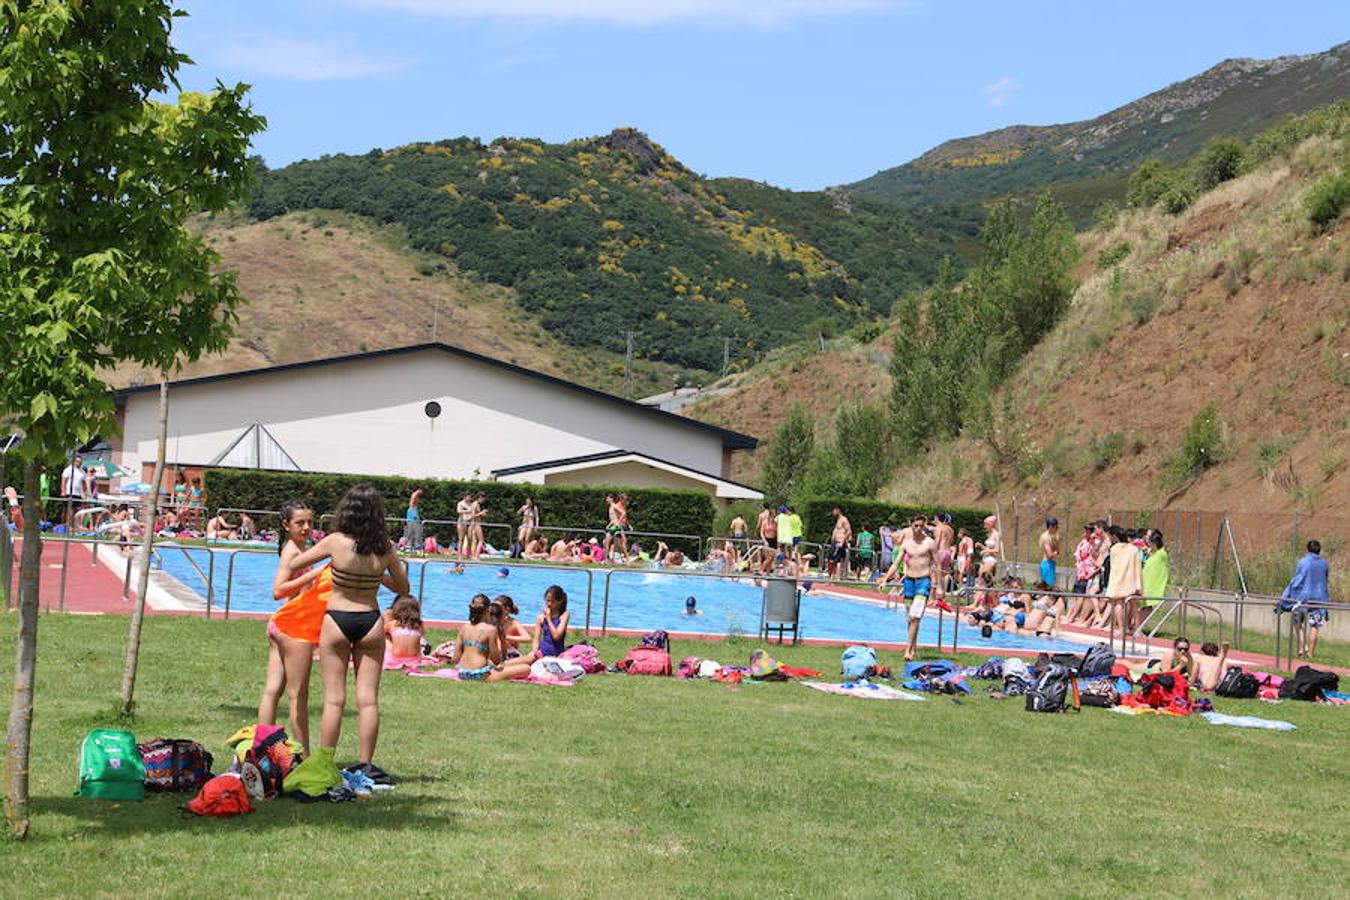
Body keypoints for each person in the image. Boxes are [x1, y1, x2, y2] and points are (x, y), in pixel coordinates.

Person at [288, 484, 409, 783]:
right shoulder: (384, 547)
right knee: (368, 700)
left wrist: (331, 567)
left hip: (337, 619)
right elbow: (402, 588)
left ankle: (325, 762)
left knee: (334, 700)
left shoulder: (334, 542)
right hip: (370, 620)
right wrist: (374, 574)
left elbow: (294, 563)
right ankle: (366, 764)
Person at [258, 499, 327, 752]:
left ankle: (262, 747)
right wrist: (316, 574)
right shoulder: (293, 552)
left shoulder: (295, 548)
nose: (306, 527)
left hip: (281, 623)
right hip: (293, 627)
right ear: (286, 525)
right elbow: (278, 590)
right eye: (300, 523)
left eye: (309, 522)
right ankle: (304, 755)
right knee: (298, 696)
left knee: (273, 689)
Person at [450, 595, 535, 681]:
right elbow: (496, 660)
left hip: (462, 673)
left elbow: (455, 659)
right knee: (526, 668)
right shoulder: (490, 630)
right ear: (488, 610)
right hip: (480, 674)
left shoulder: (465, 628)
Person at [897, 515, 938, 661]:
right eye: (916, 526)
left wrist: (937, 586)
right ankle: (913, 649)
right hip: (909, 582)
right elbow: (896, 563)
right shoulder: (907, 543)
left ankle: (908, 651)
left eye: (921, 526)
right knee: (910, 619)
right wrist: (884, 579)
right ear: (911, 525)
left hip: (923, 581)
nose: (918, 528)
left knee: (915, 617)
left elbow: (937, 565)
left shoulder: (930, 543)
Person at [1282, 540, 1331, 659]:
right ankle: (1311, 653)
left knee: (1298, 622)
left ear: (1308, 549)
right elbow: (1325, 580)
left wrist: (1288, 594)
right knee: (1315, 625)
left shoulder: (1303, 562)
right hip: (1318, 598)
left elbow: (1298, 579)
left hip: (1303, 597)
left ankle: (1302, 647)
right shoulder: (1324, 564)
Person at [1100, 526, 1142, 633]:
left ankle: (1122, 628)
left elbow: (1113, 566)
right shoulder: (1133, 549)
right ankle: (1137, 629)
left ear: (1115, 536)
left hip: (1117, 579)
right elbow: (1137, 566)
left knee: (1118, 603)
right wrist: (1138, 584)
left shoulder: (1114, 549)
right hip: (1131, 580)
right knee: (1133, 604)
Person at [1138, 529, 1170, 629]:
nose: (1146, 539)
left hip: (1151, 585)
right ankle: (1134, 626)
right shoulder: (1152, 553)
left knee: (1147, 607)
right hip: (1144, 583)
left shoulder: (1161, 554)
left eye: (1148, 536)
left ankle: (1136, 626)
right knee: (1143, 607)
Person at [384, 594, 426, 665]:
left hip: (393, 660)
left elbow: (379, 634)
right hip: (414, 660)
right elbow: (422, 636)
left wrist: (386, 617)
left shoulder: (392, 624)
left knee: (385, 636)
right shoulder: (419, 625)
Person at [532, 585, 571, 658]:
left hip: (556, 654)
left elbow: (556, 636)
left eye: (552, 601)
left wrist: (548, 618)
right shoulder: (540, 618)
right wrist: (534, 653)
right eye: (547, 601)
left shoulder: (564, 615)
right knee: (522, 664)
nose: (549, 604)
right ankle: (504, 665)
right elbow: (536, 639)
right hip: (541, 652)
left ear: (560, 601)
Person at [59, 454, 85, 526]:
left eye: (80, 462)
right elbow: (64, 481)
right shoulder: (68, 470)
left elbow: (83, 484)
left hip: (78, 494)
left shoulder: (82, 472)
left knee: (75, 511)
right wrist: (63, 491)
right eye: (77, 461)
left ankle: (72, 525)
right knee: (67, 510)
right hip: (68, 493)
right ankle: (64, 525)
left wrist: (83, 493)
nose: (78, 463)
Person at [826, 506, 852, 580]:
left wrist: (843, 541)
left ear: (838, 511)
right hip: (835, 542)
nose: (833, 513)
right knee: (832, 560)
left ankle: (835, 577)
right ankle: (832, 577)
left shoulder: (844, 520)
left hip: (839, 542)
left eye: (834, 511)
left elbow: (849, 531)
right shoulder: (838, 520)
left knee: (835, 560)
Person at [934, 513, 955, 593]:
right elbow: (951, 541)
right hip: (948, 552)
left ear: (937, 519)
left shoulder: (939, 528)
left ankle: (936, 594)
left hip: (940, 551)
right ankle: (944, 593)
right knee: (945, 574)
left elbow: (938, 540)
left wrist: (932, 551)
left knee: (935, 573)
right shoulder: (950, 529)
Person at [974, 515, 1001, 582]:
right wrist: (981, 546)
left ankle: (989, 591)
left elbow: (997, 550)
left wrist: (985, 551)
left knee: (985, 578)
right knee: (980, 577)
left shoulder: (996, 534)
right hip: (985, 558)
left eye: (986, 525)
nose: (984, 527)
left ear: (990, 524)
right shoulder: (990, 534)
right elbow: (988, 548)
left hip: (990, 559)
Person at [1038, 518, 1061, 590]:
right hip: (1047, 564)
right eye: (1056, 527)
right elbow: (1050, 555)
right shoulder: (1046, 538)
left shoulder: (1052, 536)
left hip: (1049, 564)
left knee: (1047, 587)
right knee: (1048, 588)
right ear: (1051, 527)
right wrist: (1056, 552)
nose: (1057, 529)